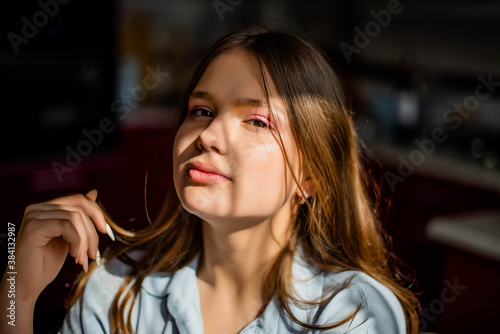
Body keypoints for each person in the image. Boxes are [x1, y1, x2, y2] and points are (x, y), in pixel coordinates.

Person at [0, 27, 420, 334]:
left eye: (256, 120)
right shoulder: (114, 295)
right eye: (201, 111)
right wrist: (17, 297)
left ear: (310, 175)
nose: (208, 135)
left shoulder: (356, 315)